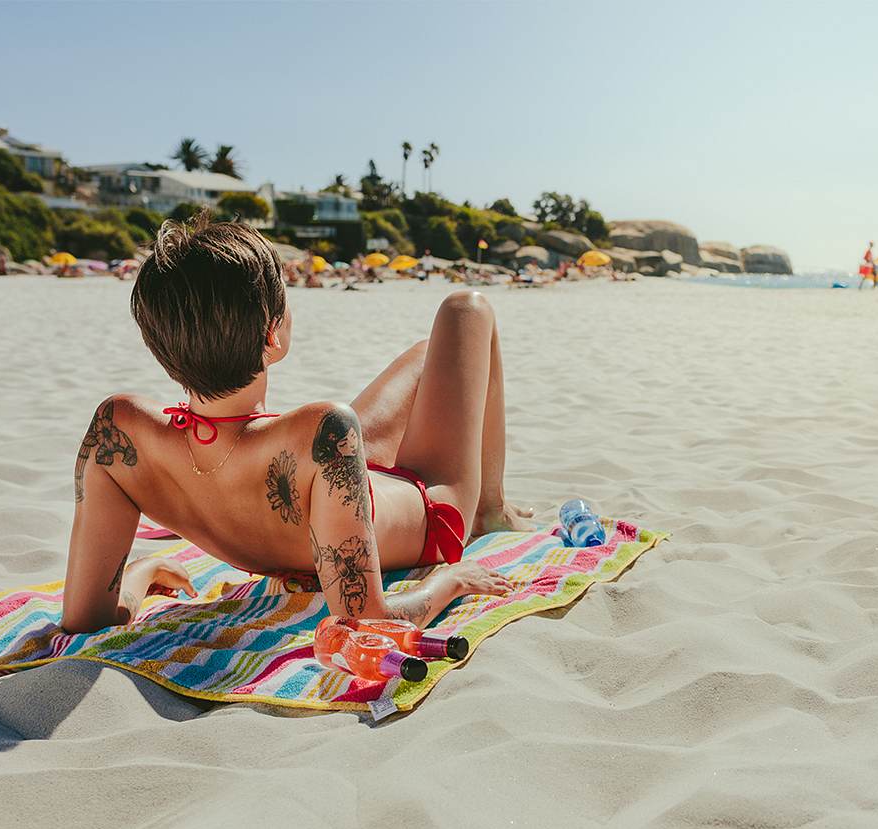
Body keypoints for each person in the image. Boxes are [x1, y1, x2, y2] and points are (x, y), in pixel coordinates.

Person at [61, 214, 530, 634]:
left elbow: (84, 619)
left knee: (432, 354)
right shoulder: (322, 430)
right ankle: (491, 510)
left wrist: (140, 573)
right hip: (428, 510)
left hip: (327, 483)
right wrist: (450, 583)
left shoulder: (117, 432)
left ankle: (491, 503)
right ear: (273, 333)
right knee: (466, 310)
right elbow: (365, 620)